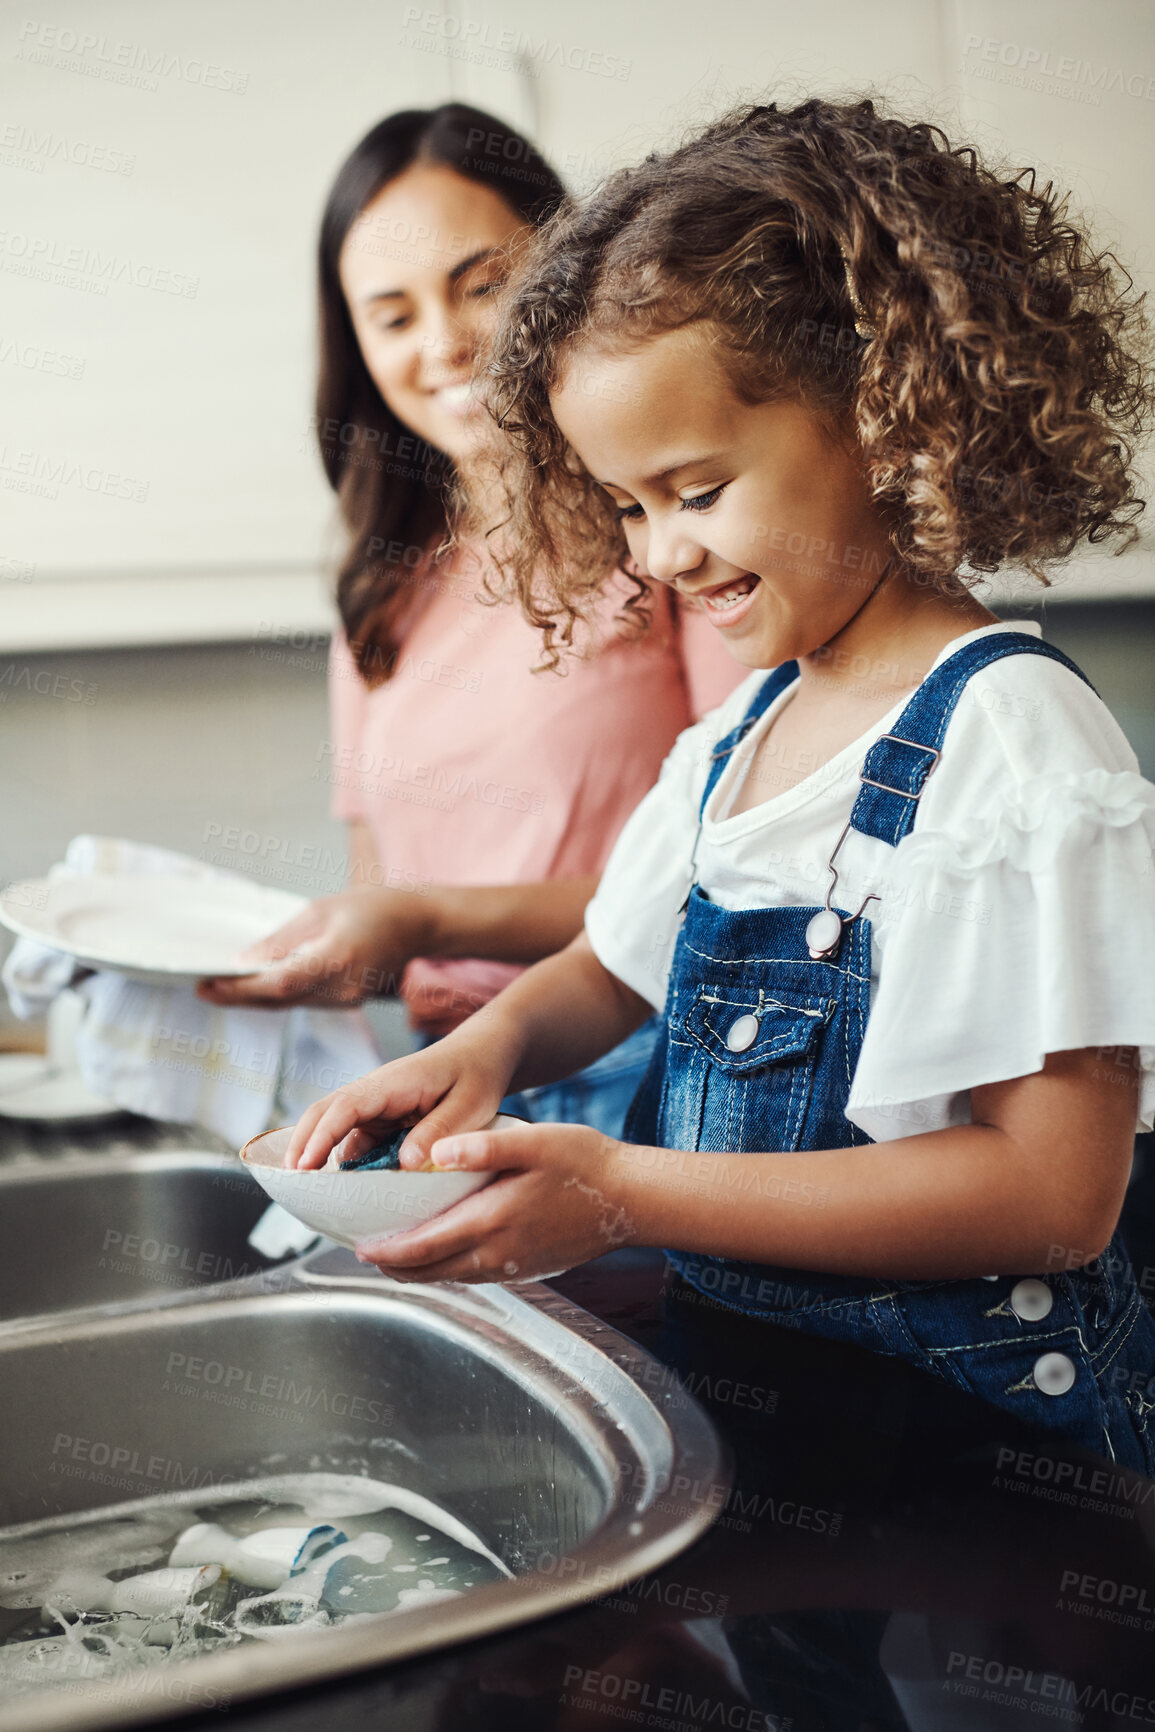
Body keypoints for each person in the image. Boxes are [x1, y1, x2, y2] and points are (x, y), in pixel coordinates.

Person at [281, 97, 1155, 1465]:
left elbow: (1051, 1198)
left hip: (985, 1465)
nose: (656, 557)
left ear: (883, 412)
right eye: (624, 507)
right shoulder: (741, 732)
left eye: (690, 491)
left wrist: (623, 1192)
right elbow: (607, 971)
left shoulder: (1016, 742)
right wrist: (481, 1052)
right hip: (772, 1420)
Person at [199, 104, 742, 1136]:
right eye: (394, 315)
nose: (444, 342)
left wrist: (423, 918)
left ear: (568, 271)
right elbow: (384, 915)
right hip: (446, 1090)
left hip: (664, 1078)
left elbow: (737, 869)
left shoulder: (669, 525)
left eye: (482, 284)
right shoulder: (380, 587)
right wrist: (237, 969)